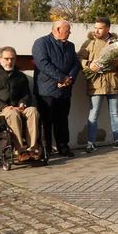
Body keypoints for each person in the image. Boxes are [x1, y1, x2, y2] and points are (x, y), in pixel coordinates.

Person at [0, 47, 44, 162]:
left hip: (17, 108)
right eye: (6, 59)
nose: (9, 62)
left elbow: (26, 94)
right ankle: (20, 151)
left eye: (12, 59)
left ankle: (32, 149)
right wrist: (4, 107)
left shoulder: (20, 76)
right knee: (11, 113)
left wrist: (23, 103)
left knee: (32, 111)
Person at [32, 19, 81, 157]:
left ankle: (63, 147)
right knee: (46, 121)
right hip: (46, 90)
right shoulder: (41, 43)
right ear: (58, 29)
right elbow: (43, 63)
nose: (70, 33)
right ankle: (46, 148)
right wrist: (60, 78)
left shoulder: (70, 46)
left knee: (62, 120)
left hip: (65, 90)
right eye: (68, 30)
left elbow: (76, 64)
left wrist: (69, 79)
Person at [80, 17, 118, 152]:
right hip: (96, 83)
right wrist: (89, 65)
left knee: (115, 113)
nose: (96, 31)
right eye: (95, 28)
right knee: (93, 114)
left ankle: (117, 140)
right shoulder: (89, 42)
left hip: (113, 82)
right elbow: (79, 58)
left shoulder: (116, 43)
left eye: (100, 28)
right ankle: (91, 142)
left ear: (107, 28)